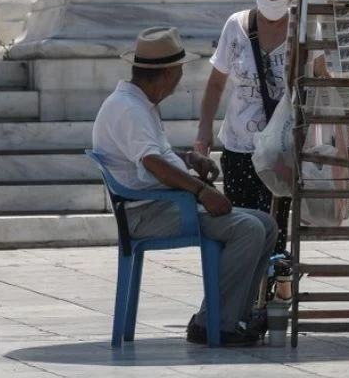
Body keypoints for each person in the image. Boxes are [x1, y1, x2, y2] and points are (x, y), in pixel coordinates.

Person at [93, 27, 278, 346]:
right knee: (247, 229)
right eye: (178, 72)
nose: (180, 80)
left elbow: (149, 155)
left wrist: (188, 159)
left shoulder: (138, 103)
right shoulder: (128, 108)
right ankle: (213, 324)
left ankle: (230, 317)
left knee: (267, 224)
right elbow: (151, 162)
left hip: (162, 205)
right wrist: (201, 190)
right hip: (149, 213)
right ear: (166, 74)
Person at [195, 0, 315, 275]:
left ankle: (270, 299)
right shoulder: (237, 26)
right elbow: (216, 83)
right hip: (239, 145)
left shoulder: (303, 30)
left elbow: (319, 80)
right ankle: (240, 299)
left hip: (282, 148)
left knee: (274, 229)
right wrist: (203, 131)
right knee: (241, 225)